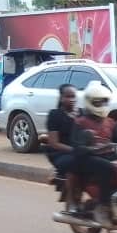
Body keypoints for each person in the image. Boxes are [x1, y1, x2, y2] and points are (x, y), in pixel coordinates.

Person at [71, 81, 117, 227]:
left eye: (104, 102)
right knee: (108, 167)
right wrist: (92, 149)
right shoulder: (80, 122)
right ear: (90, 102)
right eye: (98, 102)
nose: (102, 105)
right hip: (86, 159)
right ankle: (102, 206)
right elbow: (76, 147)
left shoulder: (109, 122)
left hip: (106, 155)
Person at [46, 84, 81, 213]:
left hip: (81, 151)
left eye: (74, 96)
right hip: (59, 152)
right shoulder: (55, 115)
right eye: (68, 96)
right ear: (61, 98)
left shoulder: (81, 113)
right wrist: (74, 150)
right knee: (73, 163)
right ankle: (71, 200)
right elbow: (54, 143)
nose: (72, 99)